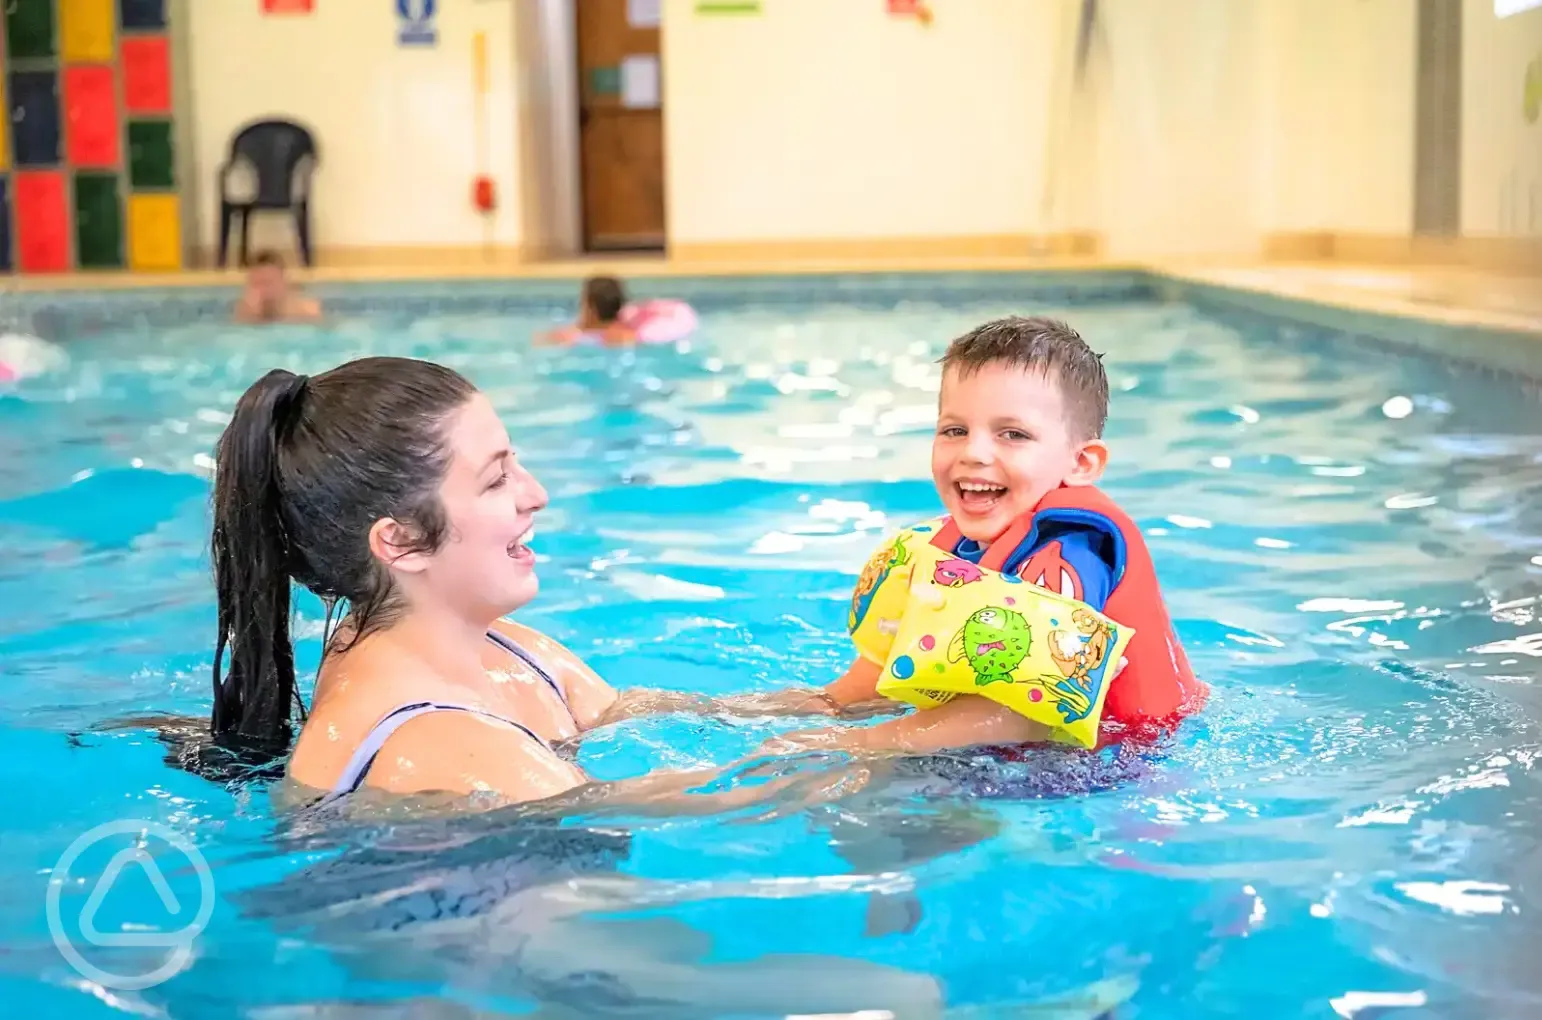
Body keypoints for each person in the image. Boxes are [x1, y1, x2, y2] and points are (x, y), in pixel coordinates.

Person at [210, 356, 844, 808]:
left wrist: (846, 698)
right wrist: (895, 751)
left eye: (515, 464)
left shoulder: (501, 648)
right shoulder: (443, 744)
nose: (536, 495)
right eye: (495, 480)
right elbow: (674, 803)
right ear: (400, 541)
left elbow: (628, 712)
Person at [759, 316, 1207, 756]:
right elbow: (858, 692)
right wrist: (728, 710)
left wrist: (850, 743)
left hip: (1116, 770)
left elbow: (1023, 713)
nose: (973, 452)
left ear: (1081, 463)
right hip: (1009, 756)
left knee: (837, 780)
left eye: (1013, 434)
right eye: (955, 430)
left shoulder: (1071, 547)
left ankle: (712, 795)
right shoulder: (953, 548)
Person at [232, 250, 323, 324]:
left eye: (268, 283)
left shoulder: (307, 310)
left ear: (284, 283)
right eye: (257, 284)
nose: (263, 290)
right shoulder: (244, 312)